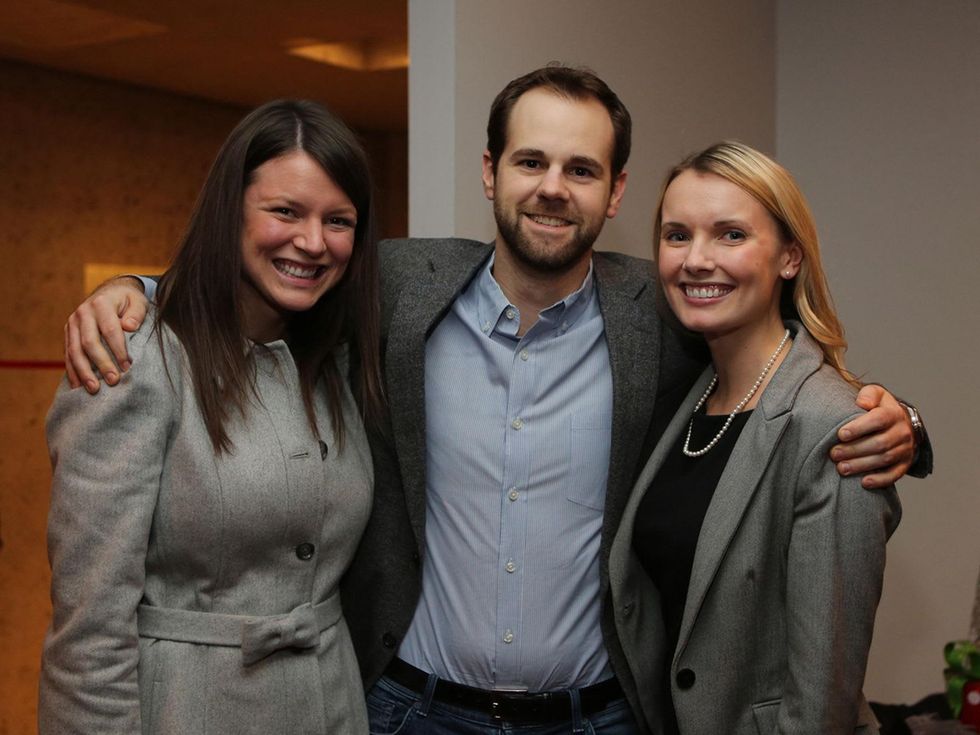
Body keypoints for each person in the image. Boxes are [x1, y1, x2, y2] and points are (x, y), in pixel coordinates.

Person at [61, 67, 928, 734]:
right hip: (410, 709)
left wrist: (902, 426)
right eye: (531, 160)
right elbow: (275, 271)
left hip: (597, 714)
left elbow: (771, 370)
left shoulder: (660, 313)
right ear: (490, 171)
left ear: (615, 192)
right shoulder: (396, 288)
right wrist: (136, 291)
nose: (554, 186)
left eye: (581, 168)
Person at [40, 99, 384, 734]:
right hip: (187, 709)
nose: (312, 242)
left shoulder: (337, 357)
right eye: (284, 210)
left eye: (339, 221)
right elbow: (88, 632)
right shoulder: (135, 358)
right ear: (230, 210)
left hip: (331, 707)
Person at [609, 142, 902, 734]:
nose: (696, 259)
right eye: (676, 235)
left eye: (730, 235)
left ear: (789, 258)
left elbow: (822, 692)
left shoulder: (833, 425)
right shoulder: (684, 400)